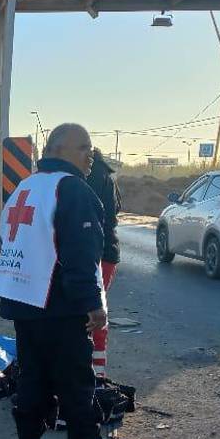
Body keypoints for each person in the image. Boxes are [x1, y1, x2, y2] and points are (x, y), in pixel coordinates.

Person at [0, 123, 118, 439]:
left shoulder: (25, 188)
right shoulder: (73, 190)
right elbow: (82, 255)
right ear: (58, 149)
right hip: (60, 306)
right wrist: (94, 305)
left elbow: (9, 239)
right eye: (83, 148)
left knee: (33, 379)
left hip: (23, 302)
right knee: (76, 382)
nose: (89, 155)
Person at [84, 146, 121, 376]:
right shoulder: (106, 176)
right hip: (107, 254)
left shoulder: (86, 177)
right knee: (95, 311)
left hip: (92, 254)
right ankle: (97, 373)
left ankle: (92, 375)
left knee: (90, 314)